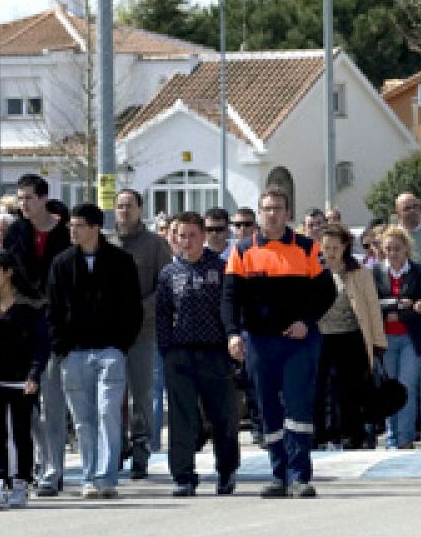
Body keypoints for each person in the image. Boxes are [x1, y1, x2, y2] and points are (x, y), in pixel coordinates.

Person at [223, 188, 336, 498]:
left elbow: (327, 293)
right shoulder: (243, 251)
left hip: (299, 342)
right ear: (259, 214)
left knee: (298, 407)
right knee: (268, 409)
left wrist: (307, 322)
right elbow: (230, 297)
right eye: (266, 209)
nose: (271, 214)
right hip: (260, 342)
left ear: (288, 213)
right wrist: (233, 333)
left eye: (278, 208)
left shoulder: (307, 248)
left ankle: (299, 475)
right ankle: (278, 475)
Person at [48, 203, 142, 501]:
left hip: (110, 351)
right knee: (83, 420)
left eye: (78, 225)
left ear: (95, 228)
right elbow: (53, 309)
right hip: (73, 352)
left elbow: (133, 307)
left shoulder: (121, 261)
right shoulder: (61, 263)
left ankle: (106, 477)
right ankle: (89, 476)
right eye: (70, 226)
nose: (72, 231)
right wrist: (60, 347)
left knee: (108, 413)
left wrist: (122, 344)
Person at [155, 211, 240, 497]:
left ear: (203, 236)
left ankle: (226, 471)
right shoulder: (169, 273)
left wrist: (232, 340)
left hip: (215, 354)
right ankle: (183, 476)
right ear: (175, 238)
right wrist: (167, 351)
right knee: (182, 419)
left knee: (222, 417)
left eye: (193, 235)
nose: (188, 241)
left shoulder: (220, 268)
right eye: (182, 236)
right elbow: (163, 316)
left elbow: (230, 310)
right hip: (180, 355)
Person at [3, 174, 72, 496]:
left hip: (55, 323)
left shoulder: (65, 233)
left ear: (44, 198)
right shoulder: (15, 232)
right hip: (22, 324)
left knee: (53, 401)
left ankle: (54, 469)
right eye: (20, 198)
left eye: (29, 198)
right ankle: (34, 463)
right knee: (24, 401)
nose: (24, 204)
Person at [0, 251, 51, 510]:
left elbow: (41, 345)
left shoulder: (29, 307)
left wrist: (34, 375)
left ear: (9, 272)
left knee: (21, 433)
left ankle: (22, 481)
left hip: (21, 378)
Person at [111, 188, 172, 479]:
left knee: (142, 395)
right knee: (111, 396)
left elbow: (165, 287)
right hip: (109, 333)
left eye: (130, 205)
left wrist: (137, 309)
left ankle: (141, 450)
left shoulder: (155, 245)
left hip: (143, 332)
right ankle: (115, 447)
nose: (124, 210)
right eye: (120, 206)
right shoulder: (104, 243)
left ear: (140, 208)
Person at [316, 224, 386, 450]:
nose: (331, 252)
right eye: (326, 247)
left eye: (335, 247)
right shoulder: (314, 271)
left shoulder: (359, 272)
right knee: (320, 388)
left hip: (351, 336)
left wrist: (378, 341)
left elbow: (373, 308)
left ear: (345, 246)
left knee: (351, 389)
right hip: (321, 337)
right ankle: (321, 434)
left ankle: (351, 435)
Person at [374, 225, 421, 450]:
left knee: (406, 386)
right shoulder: (376, 273)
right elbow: (373, 305)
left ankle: (405, 438)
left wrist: (415, 306)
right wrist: (400, 304)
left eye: (397, 249)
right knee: (390, 389)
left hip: (410, 338)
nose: (393, 253)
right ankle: (392, 437)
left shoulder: (419, 272)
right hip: (386, 338)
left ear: (406, 249)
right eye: (388, 249)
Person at [394, 192, 421, 259]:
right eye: (407, 208)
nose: (412, 210)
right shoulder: (393, 237)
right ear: (398, 213)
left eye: (415, 206)